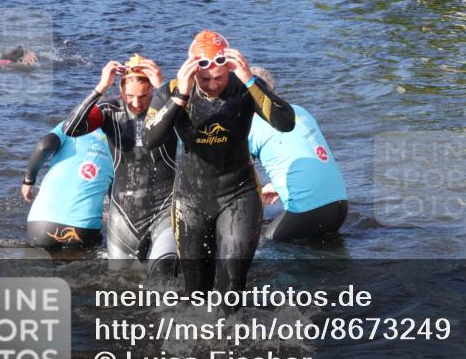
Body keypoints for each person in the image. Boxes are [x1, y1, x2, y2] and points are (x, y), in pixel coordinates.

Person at [143, 31, 295, 298]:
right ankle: (197, 337)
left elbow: (286, 122)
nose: (212, 84)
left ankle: (232, 336)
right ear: (192, 70)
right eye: (204, 77)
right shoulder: (171, 90)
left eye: (219, 77)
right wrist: (182, 95)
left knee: (233, 280)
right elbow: (150, 139)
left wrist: (248, 79)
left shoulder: (245, 87)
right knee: (196, 289)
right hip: (191, 198)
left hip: (239, 193)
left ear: (229, 68)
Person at [64, 55, 179, 271]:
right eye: (130, 96)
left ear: (153, 90)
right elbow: (71, 129)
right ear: (120, 92)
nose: (136, 103)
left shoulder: (170, 107)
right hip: (123, 215)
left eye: (144, 96)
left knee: (162, 274)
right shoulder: (109, 111)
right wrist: (100, 88)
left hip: (164, 209)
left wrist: (164, 87)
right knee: (118, 282)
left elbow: (195, 118)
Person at [247, 67, 349, 241]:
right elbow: (308, 154)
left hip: (309, 213)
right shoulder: (299, 111)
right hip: (340, 207)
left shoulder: (249, 127)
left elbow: (239, 183)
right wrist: (278, 185)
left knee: (265, 242)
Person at [22, 121, 113, 249]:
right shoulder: (120, 142)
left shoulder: (72, 124)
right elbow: (118, 197)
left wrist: (28, 180)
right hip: (83, 230)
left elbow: (44, 146)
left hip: (40, 223)